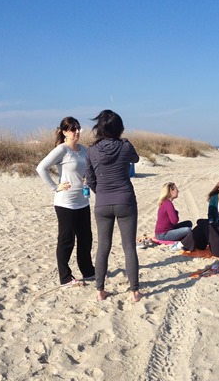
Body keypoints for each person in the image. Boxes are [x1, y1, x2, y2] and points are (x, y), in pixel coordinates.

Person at [86, 109, 141, 302]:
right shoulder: (125, 146)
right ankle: (135, 291)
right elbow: (136, 159)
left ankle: (100, 290)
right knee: (129, 247)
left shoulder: (91, 150)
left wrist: (100, 193)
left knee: (103, 247)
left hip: (102, 203)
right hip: (125, 200)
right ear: (119, 127)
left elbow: (90, 179)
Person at [36, 116, 95, 287]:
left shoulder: (83, 150)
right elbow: (41, 168)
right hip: (65, 203)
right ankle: (65, 277)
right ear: (64, 132)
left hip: (82, 201)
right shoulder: (61, 150)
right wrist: (55, 187)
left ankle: (88, 271)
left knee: (86, 238)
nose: (76, 132)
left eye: (78, 128)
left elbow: (86, 170)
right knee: (67, 240)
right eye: (72, 129)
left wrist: (87, 179)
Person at [155, 182, 195, 250]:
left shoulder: (166, 202)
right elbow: (174, 221)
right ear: (171, 191)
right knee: (188, 230)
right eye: (176, 189)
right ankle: (182, 245)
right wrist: (176, 213)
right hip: (163, 234)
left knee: (188, 223)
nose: (178, 191)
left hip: (168, 229)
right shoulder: (168, 204)